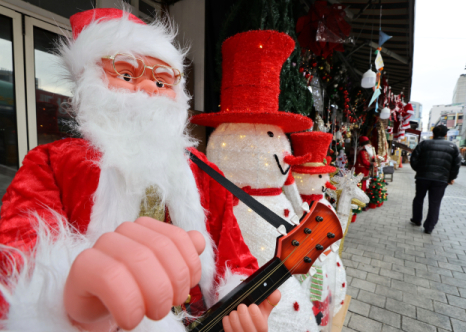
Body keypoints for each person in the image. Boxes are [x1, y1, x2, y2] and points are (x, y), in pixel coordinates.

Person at [0, 8, 279, 332]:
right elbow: (17, 254)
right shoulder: (51, 162)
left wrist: (243, 299)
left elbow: (234, 254)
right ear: (89, 82)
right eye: (128, 75)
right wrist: (60, 300)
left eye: (162, 80)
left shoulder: (204, 172)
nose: (148, 90)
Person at [410, 125, 461, 234]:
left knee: (419, 198)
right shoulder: (453, 146)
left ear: (433, 133)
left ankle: (416, 219)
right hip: (441, 179)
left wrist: (419, 170)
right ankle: (429, 227)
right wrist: (451, 178)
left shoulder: (424, 144)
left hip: (422, 177)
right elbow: (456, 164)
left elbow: (413, 159)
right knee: (435, 203)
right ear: (446, 134)